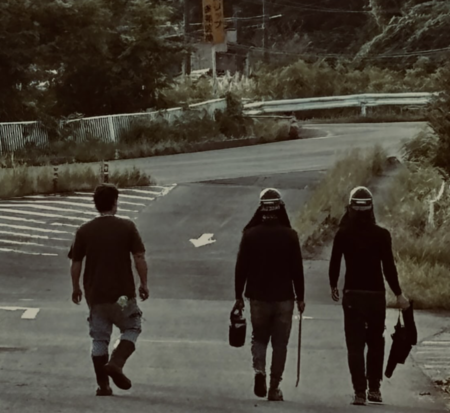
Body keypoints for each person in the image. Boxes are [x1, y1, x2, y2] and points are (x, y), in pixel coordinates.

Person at [329, 186, 410, 406]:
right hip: (376, 295)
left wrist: (333, 285)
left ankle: (359, 392)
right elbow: (389, 268)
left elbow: (335, 262)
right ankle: (374, 388)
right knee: (376, 342)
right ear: (371, 207)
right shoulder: (381, 235)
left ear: (351, 208)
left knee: (354, 345)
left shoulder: (343, 234)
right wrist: (399, 294)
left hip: (353, 294)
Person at [69, 183, 149, 396]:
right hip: (122, 296)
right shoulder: (127, 227)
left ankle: (103, 385)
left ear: (95, 205)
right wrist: (143, 283)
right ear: (115, 203)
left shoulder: (84, 231)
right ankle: (116, 362)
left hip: (96, 296)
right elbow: (139, 257)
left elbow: (76, 262)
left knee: (99, 339)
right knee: (132, 326)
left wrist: (76, 288)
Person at [233, 188, 305, 401]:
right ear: (280, 208)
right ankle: (274, 387)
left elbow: (241, 268)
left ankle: (259, 371)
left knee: (259, 337)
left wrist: (238, 296)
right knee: (280, 344)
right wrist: (301, 297)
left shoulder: (250, 235)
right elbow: (297, 270)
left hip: (258, 297)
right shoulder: (290, 235)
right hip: (284, 298)